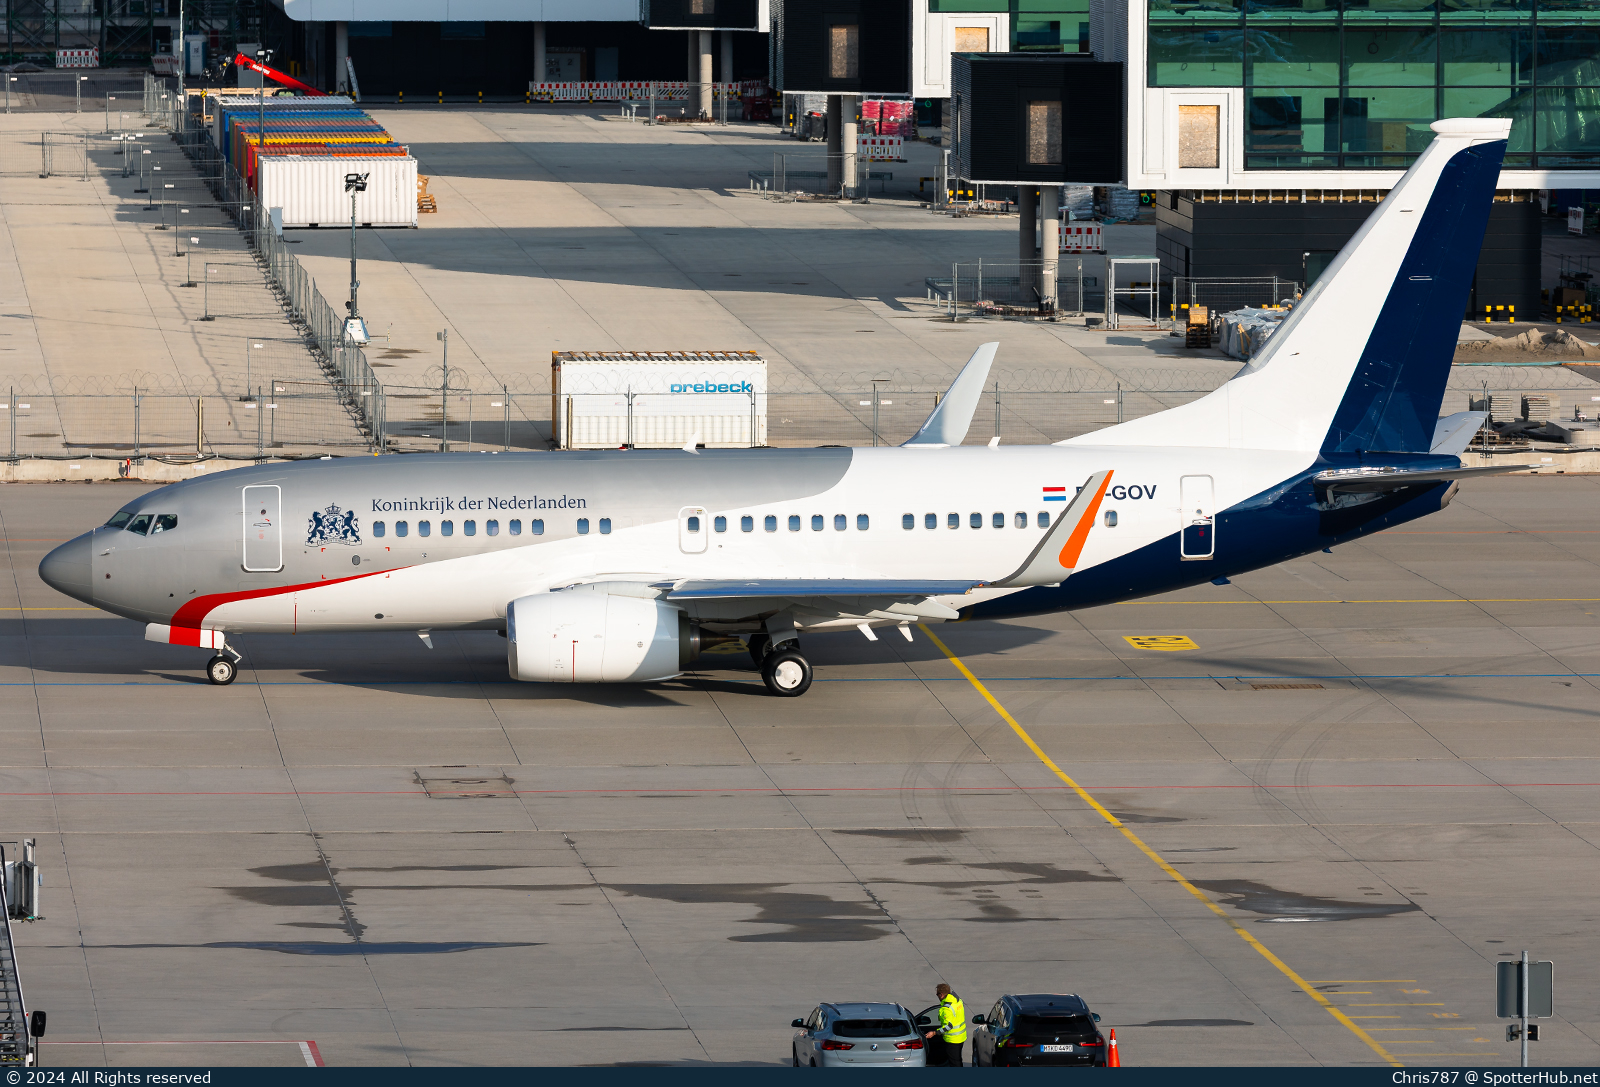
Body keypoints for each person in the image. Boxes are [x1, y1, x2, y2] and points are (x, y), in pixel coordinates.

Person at [923, 983, 968, 1067]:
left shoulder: (946, 1009)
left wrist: (934, 1033)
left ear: (941, 994)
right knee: (958, 1060)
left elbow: (948, 1026)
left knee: (955, 1063)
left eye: (937, 994)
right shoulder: (958, 1001)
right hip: (961, 1036)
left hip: (952, 1040)